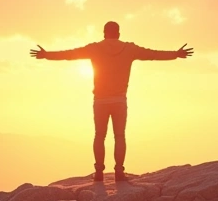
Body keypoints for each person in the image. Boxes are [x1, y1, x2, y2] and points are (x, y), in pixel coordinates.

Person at [30, 21, 192, 182]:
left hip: (100, 100)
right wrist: (176, 54)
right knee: (119, 136)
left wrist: (46, 55)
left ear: (104, 33)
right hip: (119, 100)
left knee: (99, 136)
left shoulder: (94, 48)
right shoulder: (129, 49)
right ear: (119, 33)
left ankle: (99, 172)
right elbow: (153, 54)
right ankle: (119, 173)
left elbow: (70, 54)